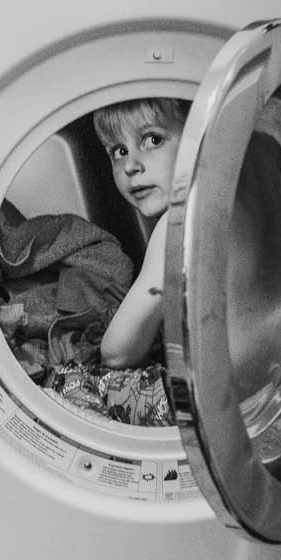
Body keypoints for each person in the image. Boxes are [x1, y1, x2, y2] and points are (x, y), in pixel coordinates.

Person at [91, 95, 190, 367]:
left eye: (152, 140)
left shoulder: (179, 223)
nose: (131, 165)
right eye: (119, 151)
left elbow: (116, 352)